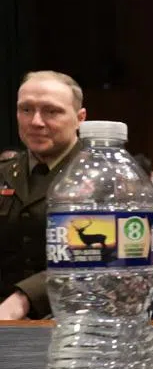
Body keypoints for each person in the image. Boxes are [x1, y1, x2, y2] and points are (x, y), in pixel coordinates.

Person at [0, 71, 87, 320]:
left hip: (72, 318)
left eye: (51, 111)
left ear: (80, 118)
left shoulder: (102, 177)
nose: (36, 122)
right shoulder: (5, 172)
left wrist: (25, 299)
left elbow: (98, 258)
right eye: (26, 109)